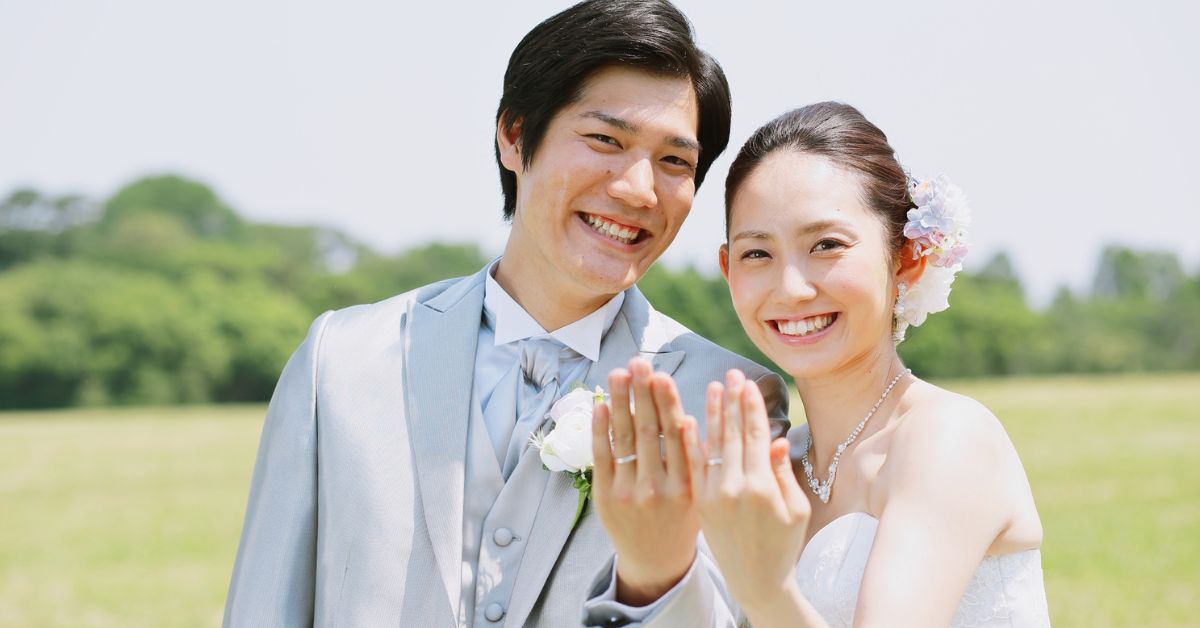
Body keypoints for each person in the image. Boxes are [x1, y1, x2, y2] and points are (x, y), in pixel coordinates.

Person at [221, 1, 788, 626]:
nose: (637, 189)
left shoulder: (729, 402)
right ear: (514, 136)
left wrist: (656, 576)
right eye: (606, 140)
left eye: (674, 161)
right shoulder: (341, 360)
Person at [589, 102, 1050, 626]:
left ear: (906, 258)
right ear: (727, 269)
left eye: (826, 245)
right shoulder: (772, 463)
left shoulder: (947, 437)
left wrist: (766, 592)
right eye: (757, 254)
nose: (791, 289)